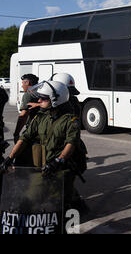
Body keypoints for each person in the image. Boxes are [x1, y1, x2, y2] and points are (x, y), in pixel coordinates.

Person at [0, 80, 87, 210]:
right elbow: (25, 138)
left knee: (63, 203)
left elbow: (71, 143)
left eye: (43, 98)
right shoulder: (41, 117)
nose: (39, 101)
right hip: (44, 167)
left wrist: (58, 161)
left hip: (61, 168)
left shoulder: (70, 120)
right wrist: (10, 158)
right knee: (31, 197)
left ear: (55, 99)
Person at [13, 74, 39, 144]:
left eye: (22, 83)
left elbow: (24, 115)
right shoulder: (40, 92)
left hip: (34, 130)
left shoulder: (29, 94)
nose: (22, 86)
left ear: (27, 83)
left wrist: (16, 133)